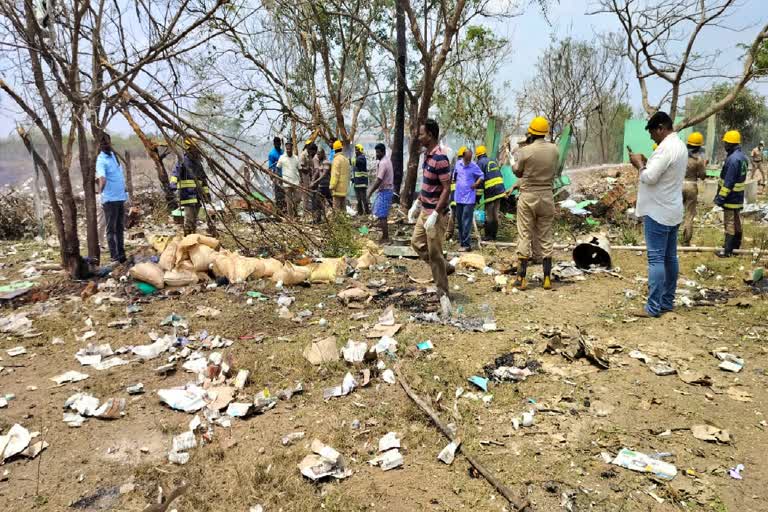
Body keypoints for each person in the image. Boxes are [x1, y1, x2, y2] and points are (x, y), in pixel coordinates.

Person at [628, 111, 687, 317]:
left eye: (653, 133)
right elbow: (661, 173)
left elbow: (650, 177)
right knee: (670, 257)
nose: (652, 137)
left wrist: (639, 165)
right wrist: (646, 162)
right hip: (672, 209)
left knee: (656, 259)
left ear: (661, 128)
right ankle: (667, 301)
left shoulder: (666, 148)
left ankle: (653, 307)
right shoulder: (679, 145)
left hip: (658, 211)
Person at [513, 117, 559, 290]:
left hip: (528, 197)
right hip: (547, 196)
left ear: (531, 133)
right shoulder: (554, 149)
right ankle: (547, 278)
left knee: (524, 234)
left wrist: (514, 164)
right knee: (546, 237)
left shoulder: (525, 151)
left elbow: (518, 172)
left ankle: (521, 279)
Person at [410, 118, 453, 297]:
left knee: (435, 254)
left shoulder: (440, 158)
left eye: (422, 134)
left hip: (435, 214)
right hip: (424, 212)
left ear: (430, 135)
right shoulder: (426, 157)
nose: (419, 137)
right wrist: (417, 203)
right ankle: (445, 266)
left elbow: (446, 188)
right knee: (416, 243)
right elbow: (428, 185)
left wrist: (436, 214)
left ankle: (443, 292)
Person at [95, 133, 128, 263]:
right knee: (111, 229)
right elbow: (102, 178)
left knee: (120, 228)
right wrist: (100, 194)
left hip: (120, 197)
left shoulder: (113, 156)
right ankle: (114, 256)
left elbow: (118, 174)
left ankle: (121, 255)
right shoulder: (101, 160)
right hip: (109, 200)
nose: (106, 144)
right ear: (100, 145)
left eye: (107, 141)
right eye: (104, 143)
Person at [715, 130, 749, 257]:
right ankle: (736, 246)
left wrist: (720, 198)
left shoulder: (733, 159)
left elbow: (728, 182)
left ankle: (728, 250)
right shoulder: (743, 157)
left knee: (729, 222)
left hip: (730, 197)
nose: (724, 145)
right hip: (738, 197)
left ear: (731, 144)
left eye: (726, 143)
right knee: (736, 221)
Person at [171, 137, 210, 236]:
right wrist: (173, 185)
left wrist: (207, 193)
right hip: (187, 195)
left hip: (197, 196)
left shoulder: (198, 163)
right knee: (189, 220)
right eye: (195, 148)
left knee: (194, 221)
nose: (197, 150)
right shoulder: (183, 161)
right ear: (189, 148)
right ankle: (187, 240)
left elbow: (203, 180)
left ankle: (192, 239)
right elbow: (175, 173)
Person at [453, 146, 484, 251]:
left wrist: (476, 184)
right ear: (463, 156)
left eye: (470, 158)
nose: (469, 160)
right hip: (459, 197)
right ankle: (462, 243)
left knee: (466, 221)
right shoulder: (458, 164)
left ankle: (466, 245)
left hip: (469, 198)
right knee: (460, 221)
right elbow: (454, 175)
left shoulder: (474, 166)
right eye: (467, 158)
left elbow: (482, 176)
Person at [681, 132, 707, 246]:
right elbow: (702, 176)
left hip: (677, 185)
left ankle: (670, 239)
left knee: (674, 212)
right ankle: (686, 241)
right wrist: (704, 165)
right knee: (689, 214)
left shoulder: (680, 156)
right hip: (691, 186)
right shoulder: (699, 159)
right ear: (699, 146)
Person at [476, 145, 505, 241]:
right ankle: (494, 235)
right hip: (500, 188)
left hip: (491, 189)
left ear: (477, 155)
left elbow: (479, 182)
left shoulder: (479, 163)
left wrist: (477, 198)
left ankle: (488, 236)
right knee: (495, 212)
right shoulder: (492, 160)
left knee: (489, 213)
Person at [367, 143, 394, 243]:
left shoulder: (383, 163)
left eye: (378, 152)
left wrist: (370, 192)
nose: (376, 154)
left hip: (385, 191)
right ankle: (383, 234)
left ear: (383, 152)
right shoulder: (386, 160)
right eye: (376, 152)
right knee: (379, 213)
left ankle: (385, 237)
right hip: (386, 190)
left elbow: (379, 180)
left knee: (382, 215)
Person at [277, 140, 301, 219]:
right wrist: (279, 178)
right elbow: (278, 168)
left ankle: (295, 211)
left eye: (289, 149)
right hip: (286, 182)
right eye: (287, 149)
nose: (288, 150)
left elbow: (299, 169)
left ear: (292, 148)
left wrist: (301, 180)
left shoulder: (296, 158)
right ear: (285, 149)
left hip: (295, 182)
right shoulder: (282, 157)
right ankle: (291, 217)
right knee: (288, 202)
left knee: (298, 198)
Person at [310, 145, 331, 223]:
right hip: (321, 186)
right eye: (317, 154)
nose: (317, 155)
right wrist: (312, 180)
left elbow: (324, 175)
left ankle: (338, 218)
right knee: (318, 203)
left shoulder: (326, 162)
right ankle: (318, 219)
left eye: (319, 154)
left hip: (327, 186)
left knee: (331, 202)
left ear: (323, 154)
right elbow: (317, 172)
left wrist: (315, 182)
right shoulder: (320, 162)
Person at [329, 140, 350, 210]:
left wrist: (332, 186)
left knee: (336, 211)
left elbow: (335, 175)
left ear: (334, 150)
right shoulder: (346, 159)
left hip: (337, 189)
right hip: (344, 189)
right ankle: (344, 220)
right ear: (341, 148)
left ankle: (338, 221)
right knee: (343, 209)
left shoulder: (336, 160)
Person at [352, 144, 370, 215]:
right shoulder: (357, 158)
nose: (356, 151)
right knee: (358, 199)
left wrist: (347, 159)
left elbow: (355, 162)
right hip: (357, 182)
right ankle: (360, 212)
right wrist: (353, 179)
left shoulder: (361, 158)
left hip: (362, 182)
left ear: (360, 150)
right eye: (355, 150)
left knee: (363, 198)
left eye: (357, 150)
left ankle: (367, 212)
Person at [268, 137, 285, 210]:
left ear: (280, 144)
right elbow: (270, 166)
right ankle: (279, 209)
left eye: (279, 143)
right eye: (276, 143)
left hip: (284, 175)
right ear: (274, 144)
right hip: (276, 175)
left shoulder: (282, 152)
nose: (278, 145)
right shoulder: (272, 154)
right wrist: (271, 176)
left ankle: (284, 208)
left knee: (284, 192)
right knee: (278, 192)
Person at [299, 141, 316, 212]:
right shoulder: (303, 155)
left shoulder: (310, 155)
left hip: (309, 176)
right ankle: (305, 211)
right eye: (313, 152)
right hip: (304, 177)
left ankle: (310, 209)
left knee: (310, 194)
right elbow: (300, 168)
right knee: (305, 195)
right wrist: (307, 169)